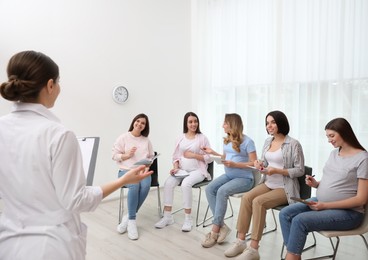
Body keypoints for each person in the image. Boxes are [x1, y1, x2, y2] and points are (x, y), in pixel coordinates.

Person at [0, 50, 152, 260]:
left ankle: (130, 218)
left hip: (9, 242)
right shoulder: (59, 135)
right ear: (51, 85)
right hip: (50, 245)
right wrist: (124, 179)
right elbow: (77, 200)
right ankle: (131, 219)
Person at [279, 117, 368, 260]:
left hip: (349, 213)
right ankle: (293, 253)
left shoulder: (364, 159)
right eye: (327, 136)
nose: (329, 140)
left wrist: (326, 205)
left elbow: (361, 199)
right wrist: (317, 184)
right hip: (321, 202)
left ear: (344, 133)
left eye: (332, 136)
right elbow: (335, 180)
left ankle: (291, 256)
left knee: (300, 220)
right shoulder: (334, 153)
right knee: (285, 213)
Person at [224, 110, 305, 260]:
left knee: (258, 202)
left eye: (273, 122)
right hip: (268, 182)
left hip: (285, 188)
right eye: (267, 123)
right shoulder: (268, 141)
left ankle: (254, 249)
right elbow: (264, 162)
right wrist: (259, 163)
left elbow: (300, 170)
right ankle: (240, 241)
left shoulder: (293, 144)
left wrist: (278, 171)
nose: (269, 125)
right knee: (247, 198)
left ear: (281, 123)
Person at [201, 113, 257, 248]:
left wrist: (236, 165)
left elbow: (254, 164)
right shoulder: (227, 140)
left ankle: (215, 231)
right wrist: (214, 153)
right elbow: (226, 158)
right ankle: (222, 226)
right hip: (229, 175)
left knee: (221, 191)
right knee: (209, 189)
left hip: (245, 179)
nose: (222, 126)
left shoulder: (248, 142)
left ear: (232, 124)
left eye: (225, 123)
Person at [154, 112, 213, 232]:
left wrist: (194, 155)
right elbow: (175, 156)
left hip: (197, 171)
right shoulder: (180, 138)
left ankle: (188, 218)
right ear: (186, 123)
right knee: (168, 183)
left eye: (195, 121)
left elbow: (210, 157)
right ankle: (167, 217)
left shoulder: (202, 138)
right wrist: (175, 167)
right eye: (190, 122)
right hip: (181, 170)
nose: (193, 124)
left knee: (186, 184)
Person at [112, 113, 154, 240]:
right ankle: (132, 221)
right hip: (126, 171)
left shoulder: (146, 140)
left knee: (146, 186)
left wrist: (146, 166)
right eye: (138, 121)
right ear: (133, 122)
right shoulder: (123, 137)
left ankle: (127, 218)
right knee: (135, 186)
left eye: (143, 123)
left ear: (145, 126)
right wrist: (127, 156)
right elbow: (114, 155)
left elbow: (151, 157)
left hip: (142, 170)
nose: (139, 124)